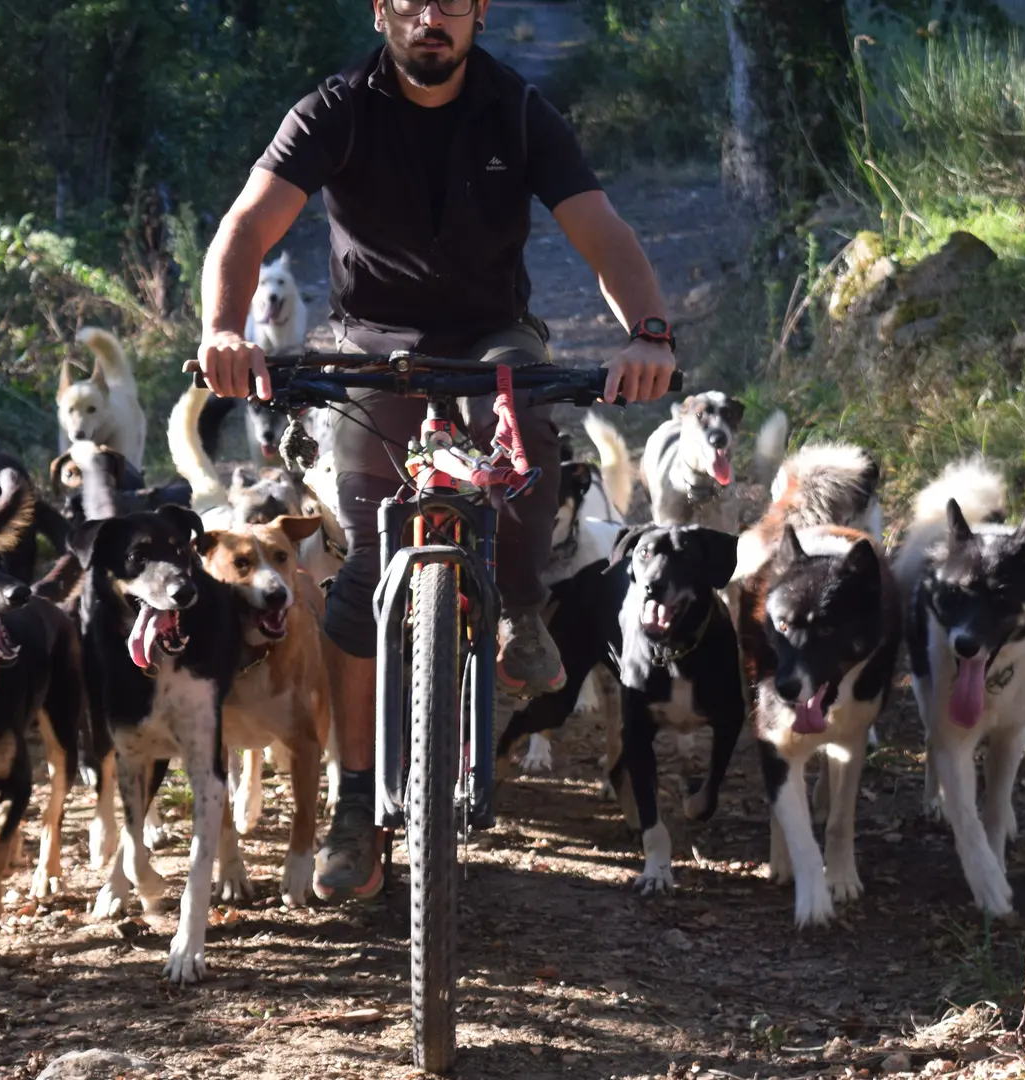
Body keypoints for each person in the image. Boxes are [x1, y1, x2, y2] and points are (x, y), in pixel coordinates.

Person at [197, 0, 676, 902]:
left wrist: (647, 331)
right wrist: (225, 330)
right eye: (412, 1)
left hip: (494, 337)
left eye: (451, 2)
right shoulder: (332, 110)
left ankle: (522, 605)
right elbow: (247, 229)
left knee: (528, 423)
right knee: (367, 558)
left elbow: (603, 231)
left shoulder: (519, 111)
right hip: (368, 344)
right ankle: (352, 808)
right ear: (383, 11)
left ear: (477, 14)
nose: (431, 18)